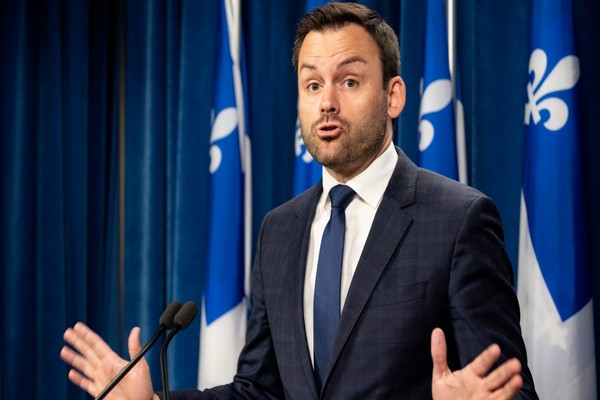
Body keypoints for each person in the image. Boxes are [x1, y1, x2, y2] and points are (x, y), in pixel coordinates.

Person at [61, 3, 538, 399]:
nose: (326, 102)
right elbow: (260, 390)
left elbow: (510, 390)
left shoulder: (458, 220)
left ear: (394, 96)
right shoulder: (280, 230)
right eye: (312, 85)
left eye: (349, 81)